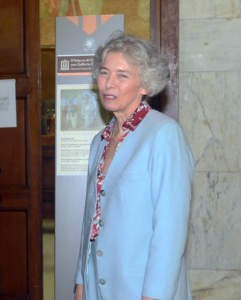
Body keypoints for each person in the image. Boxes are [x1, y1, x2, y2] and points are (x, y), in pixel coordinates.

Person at [74, 32, 194, 300]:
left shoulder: (164, 135)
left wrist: (154, 295)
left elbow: (170, 229)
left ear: (145, 85)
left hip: (142, 289)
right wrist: (81, 282)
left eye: (122, 75)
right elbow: (90, 218)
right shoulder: (99, 141)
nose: (109, 84)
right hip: (98, 285)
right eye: (104, 73)